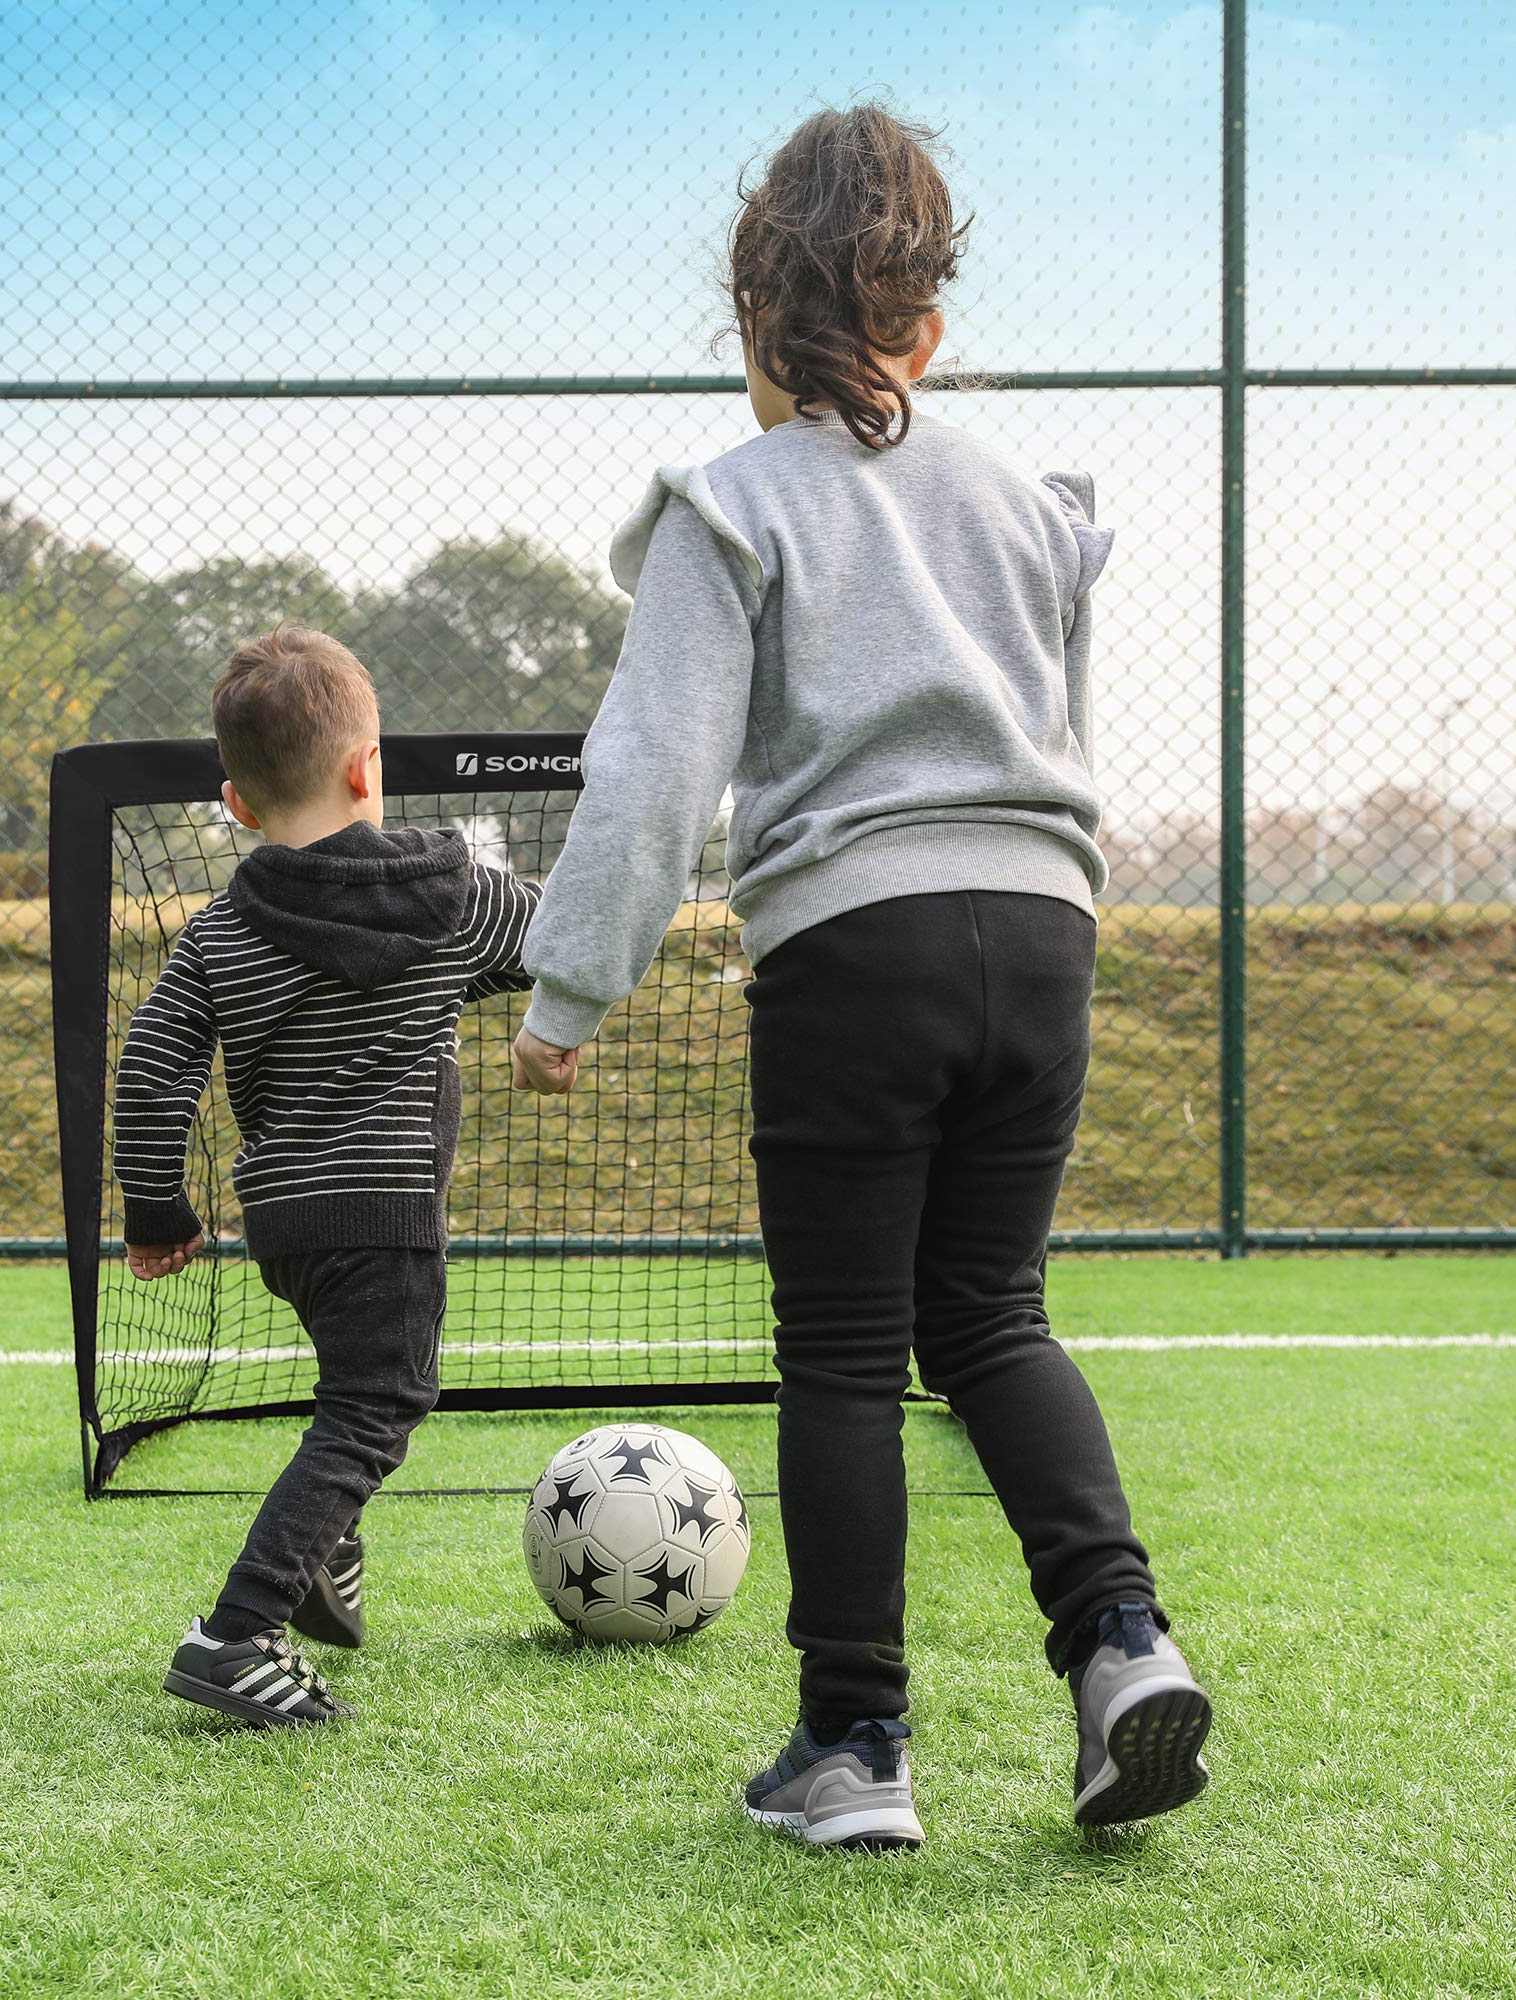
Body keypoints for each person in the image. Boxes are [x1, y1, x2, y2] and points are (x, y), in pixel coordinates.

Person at [511, 103, 1211, 1848]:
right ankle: (1121, 1643)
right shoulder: (1032, 503)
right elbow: (1060, 733)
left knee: (838, 1354)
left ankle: (856, 1748)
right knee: (990, 1317)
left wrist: (566, 994)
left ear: (758, 332)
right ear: (931, 328)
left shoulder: (730, 505)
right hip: (1045, 932)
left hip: (855, 946)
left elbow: (655, 773)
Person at [114, 625, 537, 1728]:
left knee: (349, 1388)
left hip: (286, 1229)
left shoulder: (221, 934)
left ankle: (326, 1558)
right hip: (386, 1213)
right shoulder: (452, 895)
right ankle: (236, 1630)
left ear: (237, 804)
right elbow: (564, 937)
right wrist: (557, 1014)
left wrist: (159, 1206)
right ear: (367, 770)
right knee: (375, 1404)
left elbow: (153, 1067)